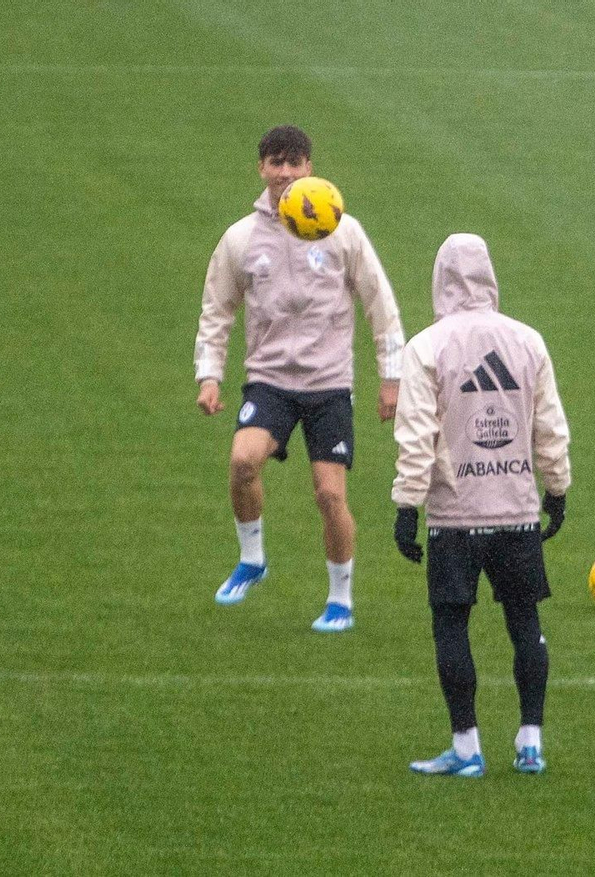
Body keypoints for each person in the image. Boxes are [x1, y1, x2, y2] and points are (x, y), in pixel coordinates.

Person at [193, 125, 407, 633]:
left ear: (310, 167)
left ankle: (340, 599)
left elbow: (381, 305)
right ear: (261, 169)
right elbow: (217, 310)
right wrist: (209, 376)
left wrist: (391, 377)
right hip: (268, 381)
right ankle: (252, 559)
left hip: (329, 386)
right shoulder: (241, 238)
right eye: (275, 162)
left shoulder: (342, 230)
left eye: (294, 162)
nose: (285, 172)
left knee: (330, 496)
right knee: (243, 461)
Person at [391, 234, 571, 777]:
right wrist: (557, 490)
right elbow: (550, 427)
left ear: (440, 277)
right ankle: (531, 740)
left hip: (456, 516)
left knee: (452, 626)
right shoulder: (527, 341)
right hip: (516, 511)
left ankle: (466, 747)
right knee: (524, 622)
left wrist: (407, 506)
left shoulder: (426, 346)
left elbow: (417, 434)